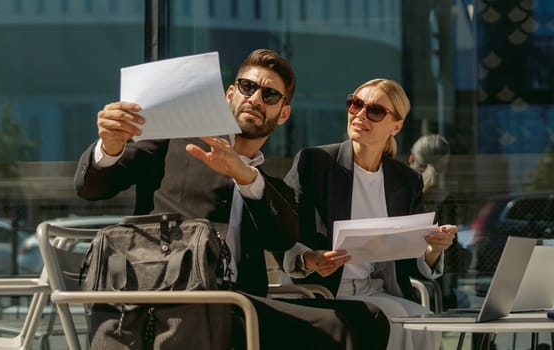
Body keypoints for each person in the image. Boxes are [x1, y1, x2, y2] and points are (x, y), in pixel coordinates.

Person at [75, 49, 388, 350]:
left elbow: (284, 236)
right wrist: (110, 146)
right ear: (229, 95)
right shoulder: (175, 145)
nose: (255, 99)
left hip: (241, 307)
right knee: (336, 329)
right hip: (177, 304)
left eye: (270, 95)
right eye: (247, 87)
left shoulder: (271, 187)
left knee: (369, 320)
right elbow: (92, 188)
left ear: (283, 114)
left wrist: (246, 177)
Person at [281, 78, 458, 350]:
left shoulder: (405, 180)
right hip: (323, 290)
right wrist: (309, 258)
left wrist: (434, 248)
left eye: (374, 111)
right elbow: (285, 230)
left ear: (396, 126)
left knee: (424, 322)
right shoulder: (315, 164)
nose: (360, 114)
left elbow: (410, 261)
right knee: (393, 321)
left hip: (375, 290)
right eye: (355, 104)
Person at [409, 134, 472, 310]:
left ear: (411, 158)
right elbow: (452, 257)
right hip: (438, 293)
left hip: (407, 290)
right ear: (445, 165)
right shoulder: (446, 201)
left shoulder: (399, 196)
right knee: (471, 301)